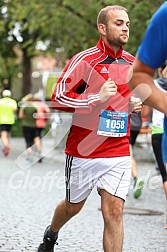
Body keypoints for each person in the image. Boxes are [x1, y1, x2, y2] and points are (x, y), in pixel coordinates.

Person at [37, 5, 142, 252]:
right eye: (119, 23)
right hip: (84, 152)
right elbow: (58, 97)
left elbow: (124, 100)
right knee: (73, 206)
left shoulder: (131, 63)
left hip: (118, 151)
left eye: (127, 23)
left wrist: (132, 103)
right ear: (102, 28)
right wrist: (94, 98)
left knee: (114, 212)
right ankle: (51, 234)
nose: (125, 27)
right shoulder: (84, 60)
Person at [128, 2, 167, 228]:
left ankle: (135, 178)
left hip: (149, 129)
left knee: (129, 153)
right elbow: (139, 74)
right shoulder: (165, 15)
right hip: (151, 131)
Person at [18, 93, 50, 162]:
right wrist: (45, 119)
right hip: (37, 125)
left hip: (27, 125)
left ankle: (30, 155)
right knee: (37, 138)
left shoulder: (25, 106)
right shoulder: (40, 105)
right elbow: (45, 113)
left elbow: (20, 116)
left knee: (29, 141)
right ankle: (39, 152)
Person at [129, 112, 144, 199]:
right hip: (137, 125)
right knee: (126, 153)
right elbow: (145, 112)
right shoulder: (141, 97)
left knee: (128, 154)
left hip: (125, 124)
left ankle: (136, 178)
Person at [0, 89, 17, 156]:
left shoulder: (0, 101)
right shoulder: (13, 102)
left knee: (3, 136)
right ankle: (6, 147)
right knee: (8, 135)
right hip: (10, 120)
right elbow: (15, 109)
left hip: (2, 120)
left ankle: (6, 146)